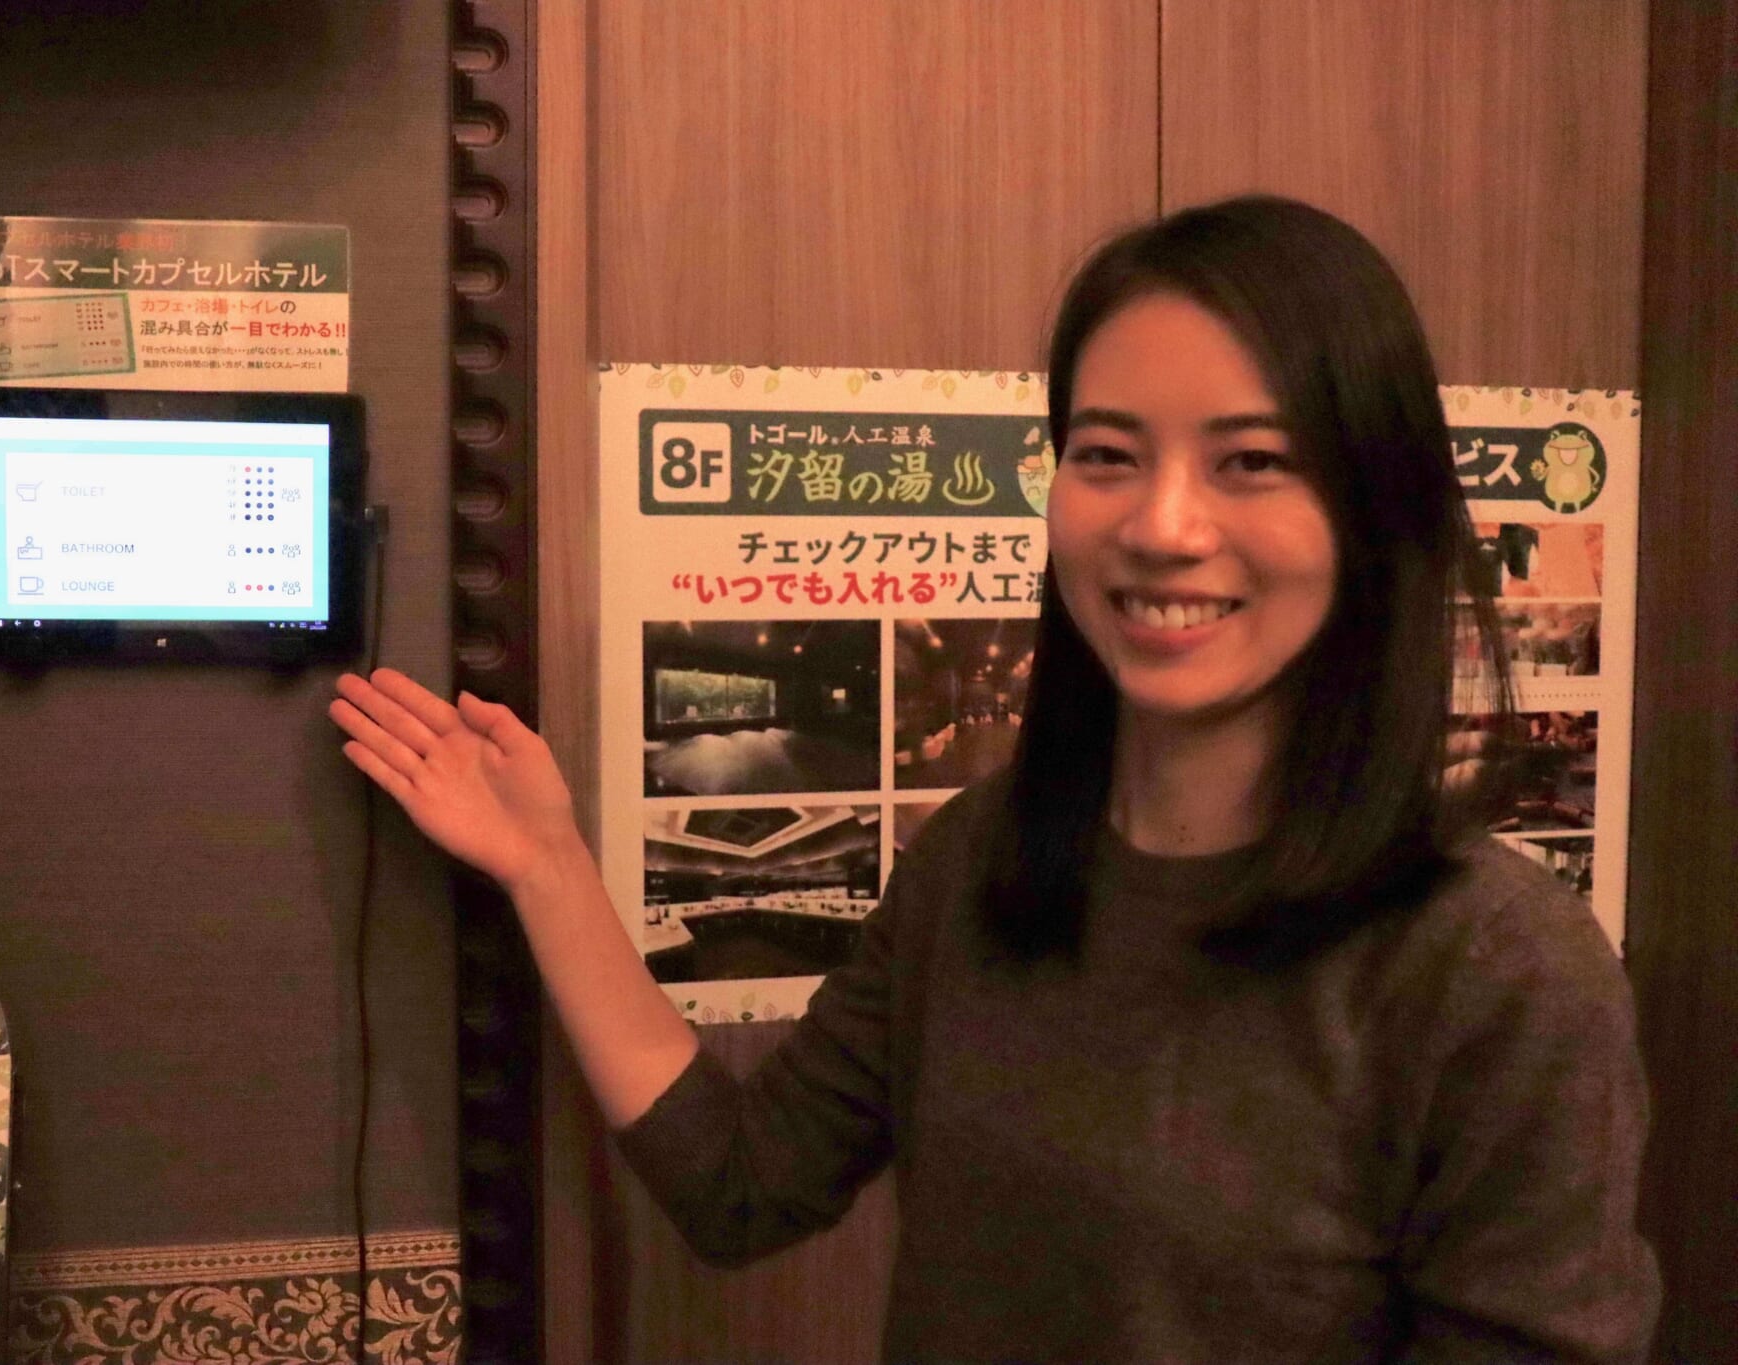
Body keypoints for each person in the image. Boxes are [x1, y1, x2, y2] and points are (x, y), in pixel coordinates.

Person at [329, 196, 1658, 1362]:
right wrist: (548, 865)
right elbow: (744, 1184)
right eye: (1107, 453)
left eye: (1253, 461)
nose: (1162, 525)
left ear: (1376, 511)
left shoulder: (1496, 967)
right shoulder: (980, 859)